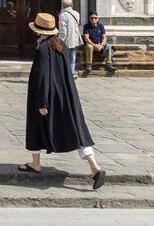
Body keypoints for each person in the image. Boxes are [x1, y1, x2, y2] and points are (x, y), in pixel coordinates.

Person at [20, 12, 106, 190]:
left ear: (38, 32)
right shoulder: (62, 45)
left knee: (36, 125)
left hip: (47, 95)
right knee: (76, 129)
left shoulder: (43, 49)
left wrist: (43, 102)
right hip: (67, 95)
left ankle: (36, 164)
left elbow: (44, 76)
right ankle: (95, 167)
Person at [57, 0, 83, 78]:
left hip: (66, 41)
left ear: (63, 6)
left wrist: (60, 42)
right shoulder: (77, 14)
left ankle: (66, 75)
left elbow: (63, 32)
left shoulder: (63, 15)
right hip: (74, 40)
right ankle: (71, 74)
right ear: (71, 5)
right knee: (72, 58)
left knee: (65, 59)